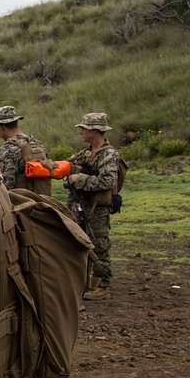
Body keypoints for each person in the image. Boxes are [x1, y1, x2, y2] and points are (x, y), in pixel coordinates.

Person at [65, 112, 121, 301]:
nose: (81, 132)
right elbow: (70, 164)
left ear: (95, 131)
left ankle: (102, 284)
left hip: (98, 208)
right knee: (80, 242)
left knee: (99, 244)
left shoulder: (109, 154)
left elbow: (108, 181)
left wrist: (80, 178)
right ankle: (85, 280)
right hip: (83, 205)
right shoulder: (87, 152)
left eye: (85, 129)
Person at [0, 105, 51, 193]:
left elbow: (5, 184)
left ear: (2, 127)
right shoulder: (37, 143)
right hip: (42, 201)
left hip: (21, 202)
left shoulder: (7, 149)